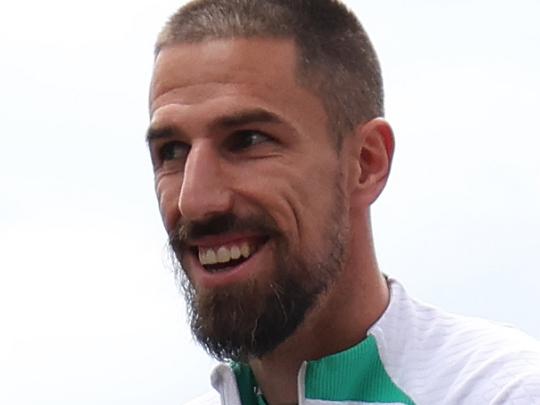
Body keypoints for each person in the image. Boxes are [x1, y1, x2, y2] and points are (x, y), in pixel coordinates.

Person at [146, 0, 540, 404]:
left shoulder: (502, 393)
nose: (195, 201)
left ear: (366, 162)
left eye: (247, 140)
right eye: (173, 151)